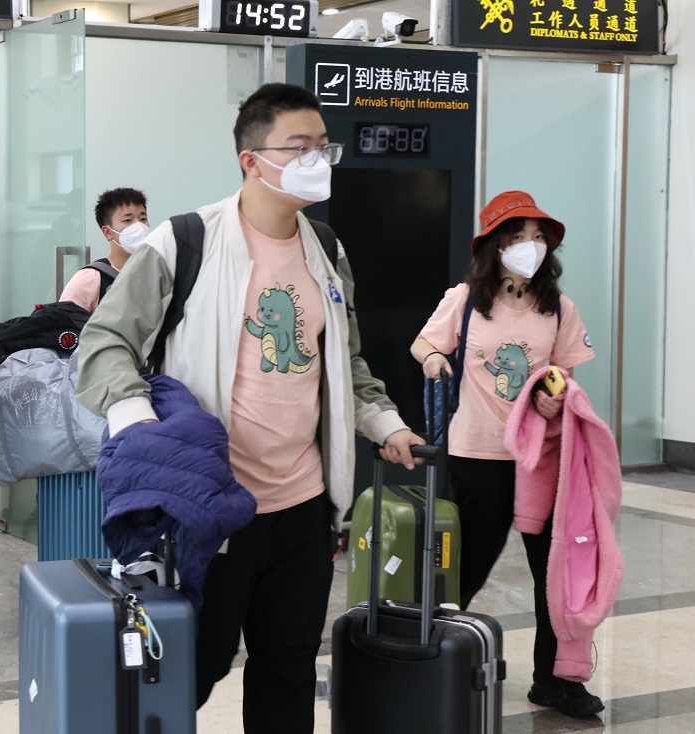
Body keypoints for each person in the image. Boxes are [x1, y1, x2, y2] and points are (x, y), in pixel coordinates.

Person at [75, 83, 423, 734]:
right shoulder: (183, 244)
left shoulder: (327, 250)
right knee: (188, 671)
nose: (317, 159)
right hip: (212, 507)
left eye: (324, 146)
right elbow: (104, 345)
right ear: (250, 159)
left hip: (305, 508)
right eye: (299, 147)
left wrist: (386, 424)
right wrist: (135, 416)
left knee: (287, 672)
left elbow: (343, 363)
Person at [412, 191, 600, 717]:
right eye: (518, 238)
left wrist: (554, 394)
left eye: (538, 238)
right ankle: (432, 662)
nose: (530, 247)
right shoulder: (466, 300)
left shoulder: (558, 307)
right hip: (477, 455)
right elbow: (423, 343)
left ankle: (556, 681)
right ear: (495, 247)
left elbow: (564, 372)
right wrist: (433, 360)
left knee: (554, 576)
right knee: (465, 568)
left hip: (541, 455)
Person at [59, 187, 149, 313]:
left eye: (143, 219)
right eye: (128, 220)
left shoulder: (157, 272)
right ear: (108, 232)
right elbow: (66, 325)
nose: (139, 226)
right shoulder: (91, 278)